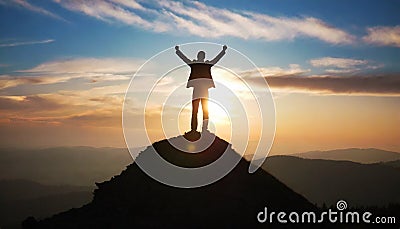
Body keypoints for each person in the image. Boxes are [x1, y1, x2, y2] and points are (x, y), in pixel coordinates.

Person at [175, 45, 227, 133]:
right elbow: (184, 58)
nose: (201, 57)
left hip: (200, 90)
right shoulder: (200, 65)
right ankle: (197, 129)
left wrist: (223, 51)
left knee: (200, 110)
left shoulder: (198, 65)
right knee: (199, 110)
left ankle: (199, 129)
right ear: (202, 57)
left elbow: (216, 59)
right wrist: (178, 51)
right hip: (201, 90)